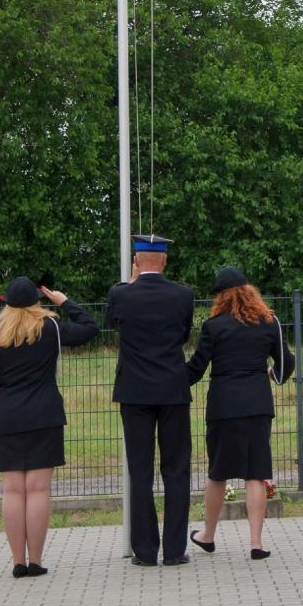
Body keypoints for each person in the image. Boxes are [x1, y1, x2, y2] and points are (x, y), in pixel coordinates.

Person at [0, 277, 98, 578]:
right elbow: (90, 327)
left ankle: (17, 561)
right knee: (38, 489)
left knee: (12, 490)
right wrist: (64, 301)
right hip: (45, 417)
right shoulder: (51, 328)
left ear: (6, 302)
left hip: (6, 420)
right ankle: (35, 560)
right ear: (36, 300)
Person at [187, 266, 295, 559]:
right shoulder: (269, 322)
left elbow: (196, 368)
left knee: (218, 473)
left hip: (223, 406)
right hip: (258, 406)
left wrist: (170, 380)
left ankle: (207, 535)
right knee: (256, 474)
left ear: (222, 296)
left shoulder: (213, 326)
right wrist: (271, 375)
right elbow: (286, 364)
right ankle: (256, 544)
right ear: (250, 292)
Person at [105, 236, 195, 567]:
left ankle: (145, 551)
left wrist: (129, 283)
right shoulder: (183, 295)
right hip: (172, 389)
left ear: (137, 262)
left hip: (135, 392)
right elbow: (184, 335)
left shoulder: (120, 294)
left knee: (140, 471)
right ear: (165, 262)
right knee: (176, 470)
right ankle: (174, 550)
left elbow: (110, 323)